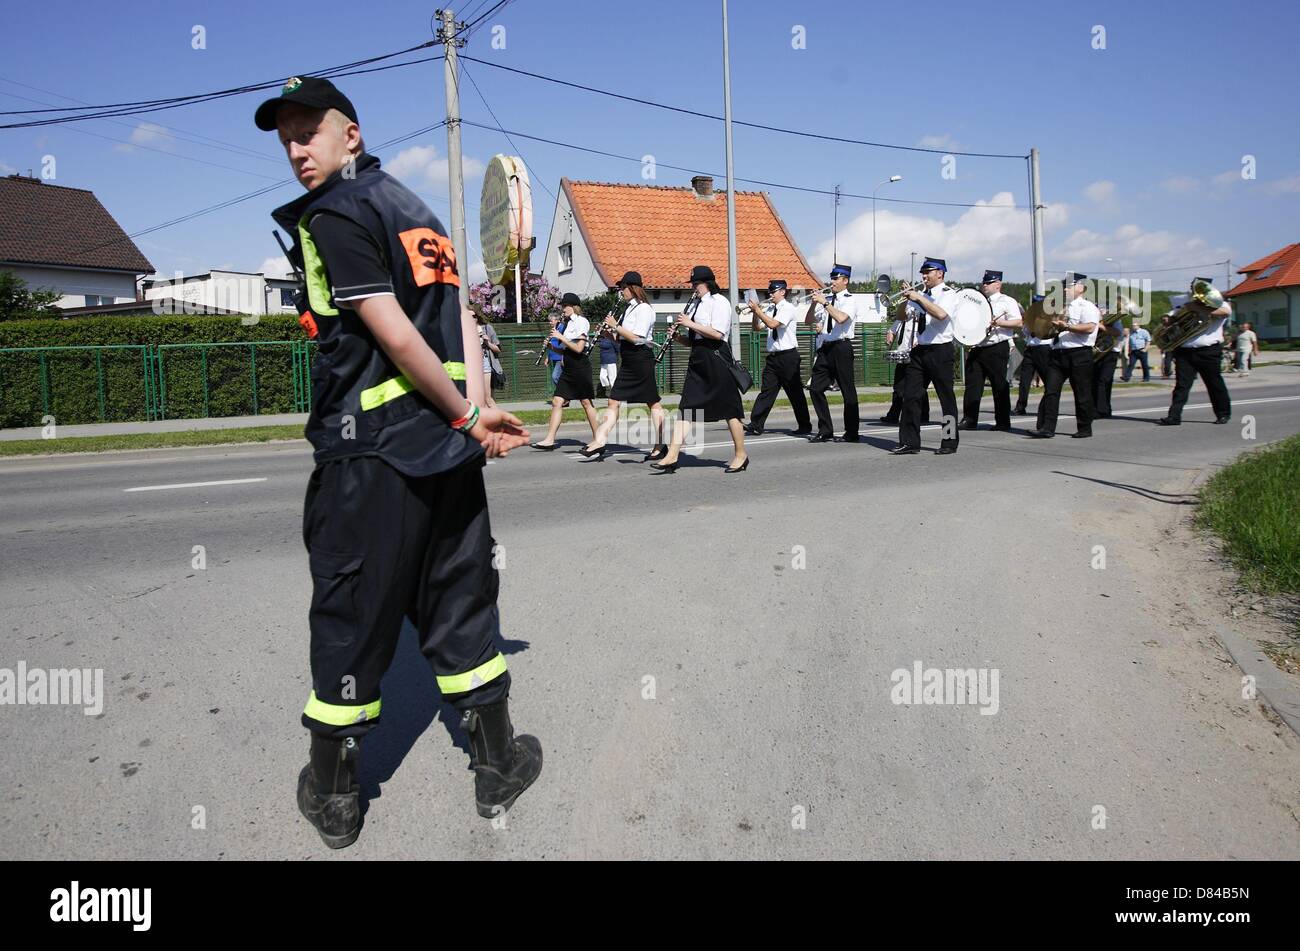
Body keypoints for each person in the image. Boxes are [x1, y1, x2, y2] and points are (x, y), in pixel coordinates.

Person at [256, 75, 540, 848]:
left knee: (353, 614)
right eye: (285, 135)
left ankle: (338, 794)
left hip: (370, 458)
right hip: (445, 455)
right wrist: (472, 416)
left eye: (308, 129)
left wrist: (468, 412)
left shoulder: (337, 212)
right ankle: (498, 761)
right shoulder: (416, 212)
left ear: (351, 133)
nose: (295, 148)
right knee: (460, 602)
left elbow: (394, 331)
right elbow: (463, 317)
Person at [651, 265, 748, 473]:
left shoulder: (720, 302)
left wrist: (689, 323)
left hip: (717, 359)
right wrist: (678, 337)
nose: (694, 288)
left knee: (730, 410)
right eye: (693, 284)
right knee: (686, 408)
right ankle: (672, 455)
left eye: (697, 284)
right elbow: (695, 340)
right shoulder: (695, 304)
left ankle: (741, 455)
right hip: (698, 361)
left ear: (708, 283)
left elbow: (717, 334)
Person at [580, 272, 667, 460]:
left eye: (623, 288)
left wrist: (615, 326)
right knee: (613, 400)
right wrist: (608, 335)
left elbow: (637, 338)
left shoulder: (644, 309)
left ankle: (661, 444)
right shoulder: (629, 309)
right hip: (628, 360)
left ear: (632, 288)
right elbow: (623, 338)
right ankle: (600, 440)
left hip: (641, 359)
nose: (621, 292)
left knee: (652, 401)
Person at [894, 257, 960, 455]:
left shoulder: (949, 294)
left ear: (939, 273)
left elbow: (940, 315)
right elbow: (902, 317)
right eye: (922, 273)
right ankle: (909, 441)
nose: (924, 276)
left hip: (941, 349)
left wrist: (919, 298)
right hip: (920, 350)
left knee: (946, 398)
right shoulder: (921, 295)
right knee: (910, 396)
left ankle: (949, 442)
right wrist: (906, 299)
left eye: (928, 272)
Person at [1030, 273, 1098, 439]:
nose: (1065, 289)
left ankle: (1084, 428)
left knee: (1081, 392)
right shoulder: (1059, 306)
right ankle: (1047, 428)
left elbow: (1089, 327)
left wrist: (1066, 326)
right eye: (1064, 287)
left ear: (1081, 288)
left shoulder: (1087, 307)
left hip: (1079, 352)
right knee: (1051, 391)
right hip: (1058, 352)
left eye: (1069, 286)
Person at [1157, 278, 1233, 426]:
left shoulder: (1219, 303)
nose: (1195, 292)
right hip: (1185, 351)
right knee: (1181, 386)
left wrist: (1197, 308)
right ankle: (1174, 416)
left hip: (1209, 351)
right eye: (1193, 289)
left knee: (1214, 383)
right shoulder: (1186, 304)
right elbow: (1169, 317)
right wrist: (1167, 318)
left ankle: (1223, 414)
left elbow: (1224, 312)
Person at [531, 293, 600, 450]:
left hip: (580, 366)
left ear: (572, 306)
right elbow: (565, 351)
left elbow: (579, 348)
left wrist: (560, 337)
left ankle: (598, 438)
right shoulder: (567, 324)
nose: (562, 310)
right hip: (568, 367)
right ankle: (549, 439)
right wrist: (552, 347)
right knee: (557, 402)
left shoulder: (582, 322)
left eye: (564, 306)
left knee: (586, 402)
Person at [744, 279, 812, 436]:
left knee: (795, 394)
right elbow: (757, 328)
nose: (770, 294)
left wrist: (759, 311)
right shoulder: (770, 308)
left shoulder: (787, 308)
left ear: (782, 292)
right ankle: (756, 424)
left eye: (773, 291)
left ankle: (804, 425)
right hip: (773, 357)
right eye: (769, 292)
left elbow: (774, 324)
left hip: (788, 356)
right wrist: (756, 313)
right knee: (766, 391)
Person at [805, 263, 861, 442]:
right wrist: (814, 304)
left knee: (847, 391)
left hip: (842, 347)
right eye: (832, 278)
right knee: (815, 388)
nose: (832, 282)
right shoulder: (826, 299)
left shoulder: (850, 299)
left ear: (845, 280)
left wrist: (826, 303)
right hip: (826, 347)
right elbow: (808, 321)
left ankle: (852, 432)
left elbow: (841, 318)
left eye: (836, 279)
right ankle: (825, 429)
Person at [960, 269, 1020, 431]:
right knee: (973, 385)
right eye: (984, 282)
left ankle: (1002, 421)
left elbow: (1018, 322)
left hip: (996, 346)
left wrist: (998, 323)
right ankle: (969, 419)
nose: (984, 285)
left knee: (999, 384)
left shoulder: (1006, 301)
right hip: (978, 347)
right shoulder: (979, 302)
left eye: (988, 283)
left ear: (998, 284)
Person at [1092, 312, 1124, 418]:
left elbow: (1118, 333)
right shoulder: (1096, 317)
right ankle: (1103, 409)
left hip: (1111, 352)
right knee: (1097, 380)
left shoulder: (1115, 320)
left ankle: (1101, 409)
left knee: (1104, 380)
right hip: (1099, 351)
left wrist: (1100, 326)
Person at [475, 308, 502, 408]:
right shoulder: (464, 329)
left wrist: (487, 342)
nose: (472, 319)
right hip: (471, 365)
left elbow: (498, 349)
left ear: (477, 317)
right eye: (469, 316)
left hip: (485, 363)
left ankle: (499, 421)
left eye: (474, 316)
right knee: (477, 400)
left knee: (488, 398)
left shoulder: (486, 328)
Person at [598, 307, 619, 396]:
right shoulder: (602, 337)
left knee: (612, 378)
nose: (605, 329)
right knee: (602, 377)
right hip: (603, 361)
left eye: (607, 327)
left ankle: (614, 394)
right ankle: (612, 390)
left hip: (611, 360)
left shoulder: (612, 337)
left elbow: (617, 348)